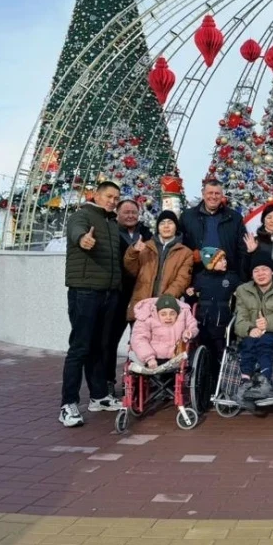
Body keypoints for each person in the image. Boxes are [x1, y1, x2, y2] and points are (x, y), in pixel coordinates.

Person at [60, 181, 124, 427]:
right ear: (96, 195)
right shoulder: (82, 215)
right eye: (109, 196)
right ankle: (68, 404)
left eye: (116, 197)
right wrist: (82, 240)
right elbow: (76, 232)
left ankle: (98, 397)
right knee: (80, 347)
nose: (112, 201)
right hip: (85, 292)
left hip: (108, 293)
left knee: (100, 346)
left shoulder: (111, 222)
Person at [234, 254, 273, 401]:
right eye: (256, 271)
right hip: (253, 332)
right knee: (247, 343)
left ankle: (265, 382)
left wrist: (268, 324)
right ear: (251, 275)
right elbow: (239, 321)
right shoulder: (243, 290)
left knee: (265, 342)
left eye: (264, 269)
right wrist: (250, 329)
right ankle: (245, 383)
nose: (260, 274)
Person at [103, 199, 152, 393]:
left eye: (134, 212)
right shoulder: (110, 232)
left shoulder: (146, 234)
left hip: (140, 294)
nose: (130, 215)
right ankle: (107, 380)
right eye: (126, 212)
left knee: (140, 339)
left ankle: (136, 380)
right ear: (117, 213)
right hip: (117, 293)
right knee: (109, 339)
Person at [123, 211, 193, 319]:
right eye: (162, 223)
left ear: (176, 226)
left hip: (166, 310)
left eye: (170, 222)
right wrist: (133, 252)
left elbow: (182, 280)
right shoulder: (145, 247)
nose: (166, 226)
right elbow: (131, 270)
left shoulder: (185, 252)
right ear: (157, 227)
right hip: (141, 306)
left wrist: (164, 300)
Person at [180, 179, 249, 280]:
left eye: (217, 193)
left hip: (227, 276)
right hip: (196, 275)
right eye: (210, 193)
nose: (213, 196)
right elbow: (180, 246)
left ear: (222, 196)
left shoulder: (234, 218)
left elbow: (242, 250)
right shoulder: (187, 217)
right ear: (203, 194)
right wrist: (191, 255)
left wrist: (241, 278)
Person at [186, 247, 240, 376]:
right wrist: (190, 292)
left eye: (224, 259)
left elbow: (243, 291)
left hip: (222, 320)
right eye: (220, 260)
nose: (224, 262)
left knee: (220, 351)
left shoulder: (231, 277)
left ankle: (220, 379)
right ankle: (204, 380)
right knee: (205, 350)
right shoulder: (201, 278)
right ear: (210, 263)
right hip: (203, 321)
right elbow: (192, 294)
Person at [130, 294, 198, 369]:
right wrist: (149, 358)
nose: (168, 317)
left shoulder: (183, 316)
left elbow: (192, 325)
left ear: (177, 314)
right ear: (156, 313)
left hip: (176, 358)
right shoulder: (147, 319)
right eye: (163, 314)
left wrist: (189, 332)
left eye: (172, 314)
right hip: (153, 359)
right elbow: (139, 340)